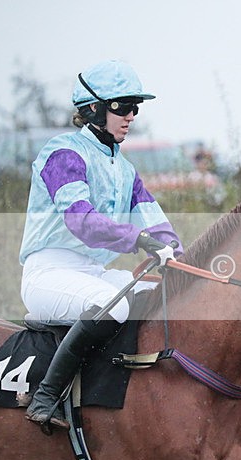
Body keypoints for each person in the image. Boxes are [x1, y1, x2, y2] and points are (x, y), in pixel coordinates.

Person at [19, 59, 183, 434]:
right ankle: (47, 396)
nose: (131, 116)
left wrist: (181, 258)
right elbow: (82, 221)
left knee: (161, 295)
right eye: (122, 107)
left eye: (135, 108)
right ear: (93, 109)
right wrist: (139, 241)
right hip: (49, 272)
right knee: (117, 306)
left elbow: (156, 223)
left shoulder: (125, 169)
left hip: (92, 274)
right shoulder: (62, 153)